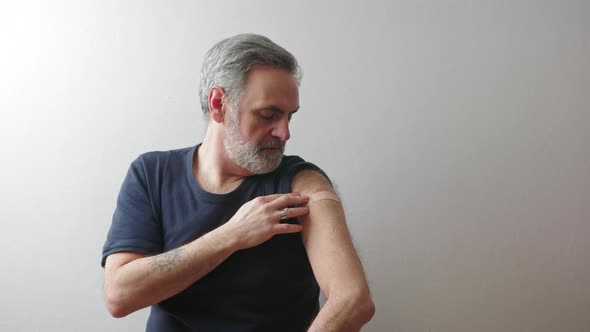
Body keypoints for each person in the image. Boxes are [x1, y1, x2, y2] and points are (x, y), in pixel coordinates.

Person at [101, 33, 375, 332]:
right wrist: (232, 235)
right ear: (219, 104)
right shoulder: (152, 174)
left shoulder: (302, 182)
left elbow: (352, 300)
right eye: (268, 115)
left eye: (289, 117)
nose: (284, 133)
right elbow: (119, 296)